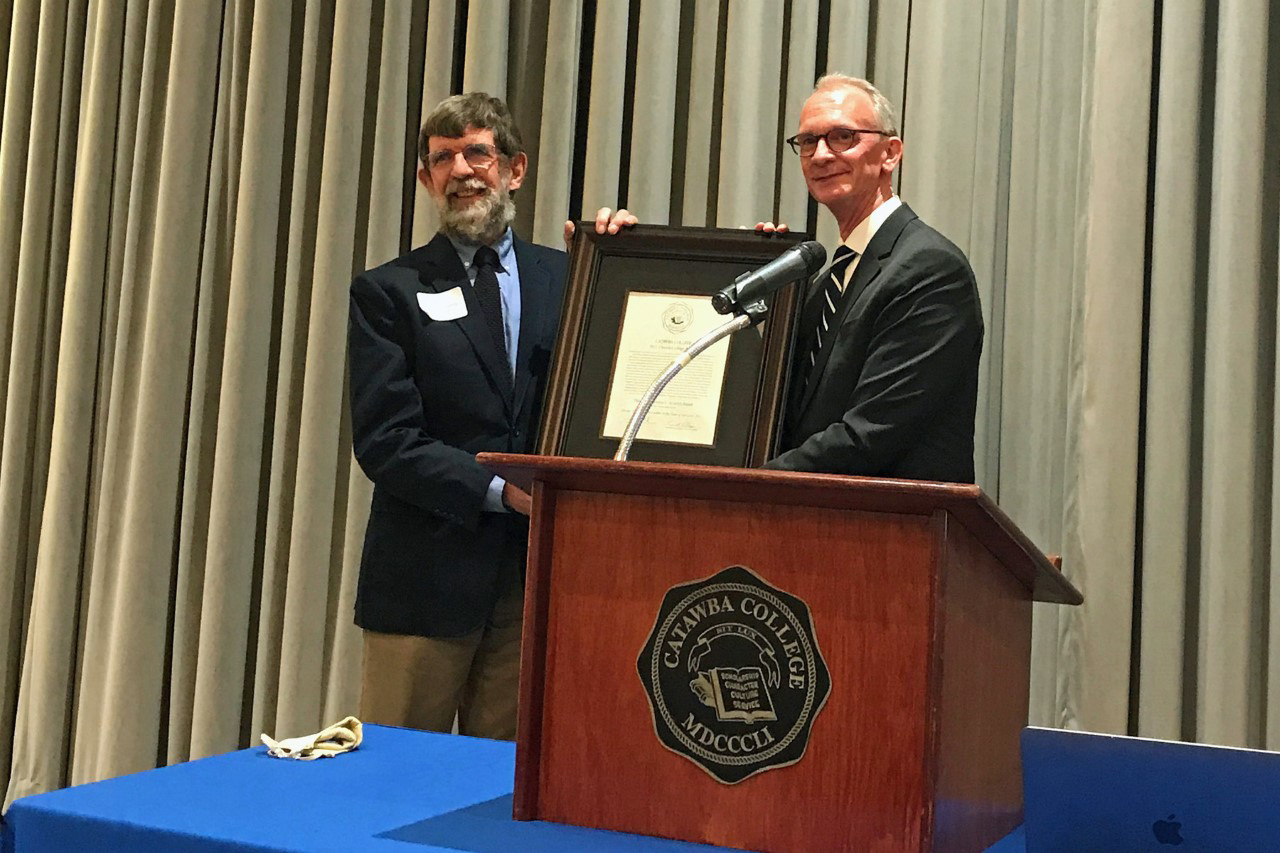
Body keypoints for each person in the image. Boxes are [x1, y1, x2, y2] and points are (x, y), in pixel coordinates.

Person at [347, 92, 634, 739]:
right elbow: (385, 440)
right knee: (393, 778)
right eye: (442, 158)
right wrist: (503, 491)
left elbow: (619, 396)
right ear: (426, 180)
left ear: (515, 169)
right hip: (423, 581)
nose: (461, 170)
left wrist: (623, 262)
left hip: (532, 583)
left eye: (477, 151)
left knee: (497, 789)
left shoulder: (573, 276)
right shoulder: (388, 291)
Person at [762, 74, 983, 483]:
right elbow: (773, 412)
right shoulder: (820, 281)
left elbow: (868, 436)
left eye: (842, 136)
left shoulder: (929, 269)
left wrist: (741, 479)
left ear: (890, 153)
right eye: (808, 141)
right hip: (805, 525)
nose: (821, 155)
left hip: (890, 533)